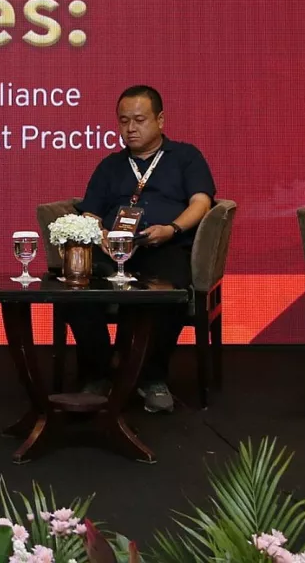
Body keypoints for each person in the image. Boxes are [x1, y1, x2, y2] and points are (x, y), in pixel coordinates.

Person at [58, 85, 215, 413]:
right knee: (75, 287)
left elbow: (201, 202)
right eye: (123, 121)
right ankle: (100, 371)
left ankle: (151, 377)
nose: (130, 128)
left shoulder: (186, 157)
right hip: (113, 250)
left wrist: (172, 229)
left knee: (165, 291)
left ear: (160, 119)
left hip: (164, 246)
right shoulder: (110, 165)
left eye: (139, 120)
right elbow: (89, 211)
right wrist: (98, 232)